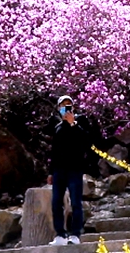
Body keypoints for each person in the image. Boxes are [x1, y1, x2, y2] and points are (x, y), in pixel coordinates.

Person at [47, 95, 89, 246]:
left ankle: (75, 234)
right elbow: (54, 152)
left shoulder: (81, 122)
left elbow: (85, 141)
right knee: (56, 202)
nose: (66, 108)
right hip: (59, 170)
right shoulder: (58, 128)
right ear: (59, 109)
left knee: (76, 202)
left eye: (69, 105)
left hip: (75, 169)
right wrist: (51, 172)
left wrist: (73, 124)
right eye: (63, 106)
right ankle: (60, 234)